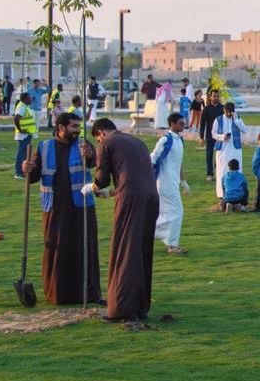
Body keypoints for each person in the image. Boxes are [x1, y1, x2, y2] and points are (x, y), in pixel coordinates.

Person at [23, 112, 101, 305]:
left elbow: (95, 164)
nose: (77, 131)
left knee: (85, 247)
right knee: (56, 249)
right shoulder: (44, 147)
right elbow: (32, 177)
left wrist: (90, 156)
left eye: (79, 127)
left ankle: (88, 293)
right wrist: (27, 167)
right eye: (74, 127)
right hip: (54, 208)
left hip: (81, 206)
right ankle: (57, 293)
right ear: (61, 128)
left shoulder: (84, 145)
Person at [89, 117, 161, 322]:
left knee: (124, 249)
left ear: (100, 133)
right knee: (141, 250)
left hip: (131, 199)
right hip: (151, 197)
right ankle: (140, 305)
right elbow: (132, 177)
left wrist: (92, 188)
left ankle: (122, 307)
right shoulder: (137, 142)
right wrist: (112, 193)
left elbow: (101, 179)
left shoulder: (107, 143)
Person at [151, 112, 191, 254]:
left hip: (173, 182)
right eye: (181, 123)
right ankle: (171, 245)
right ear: (172, 124)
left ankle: (147, 231)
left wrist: (183, 181)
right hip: (164, 182)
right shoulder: (165, 140)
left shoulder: (180, 140)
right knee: (177, 212)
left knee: (168, 214)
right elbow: (153, 159)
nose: (183, 125)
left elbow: (179, 163)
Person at [211, 100, 247, 201]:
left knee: (237, 169)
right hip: (223, 149)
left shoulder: (237, 118)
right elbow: (213, 134)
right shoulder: (218, 120)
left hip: (235, 149)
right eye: (227, 112)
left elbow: (245, 130)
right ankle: (221, 194)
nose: (228, 114)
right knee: (222, 170)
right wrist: (222, 137)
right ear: (224, 110)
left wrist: (236, 121)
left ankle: (238, 192)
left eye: (230, 112)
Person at [199, 90, 224, 180]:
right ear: (210, 97)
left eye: (217, 96)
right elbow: (202, 124)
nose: (216, 98)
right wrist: (201, 137)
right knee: (209, 154)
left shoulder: (223, 108)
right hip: (209, 135)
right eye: (214, 96)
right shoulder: (206, 109)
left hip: (220, 136)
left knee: (220, 154)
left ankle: (220, 172)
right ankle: (210, 174)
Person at [12, 92, 37, 179]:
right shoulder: (22, 107)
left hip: (26, 134)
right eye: (29, 98)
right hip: (23, 134)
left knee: (24, 153)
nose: (31, 99)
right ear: (25, 99)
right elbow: (16, 118)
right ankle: (19, 173)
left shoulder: (24, 106)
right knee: (22, 154)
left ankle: (22, 172)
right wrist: (20, 130)